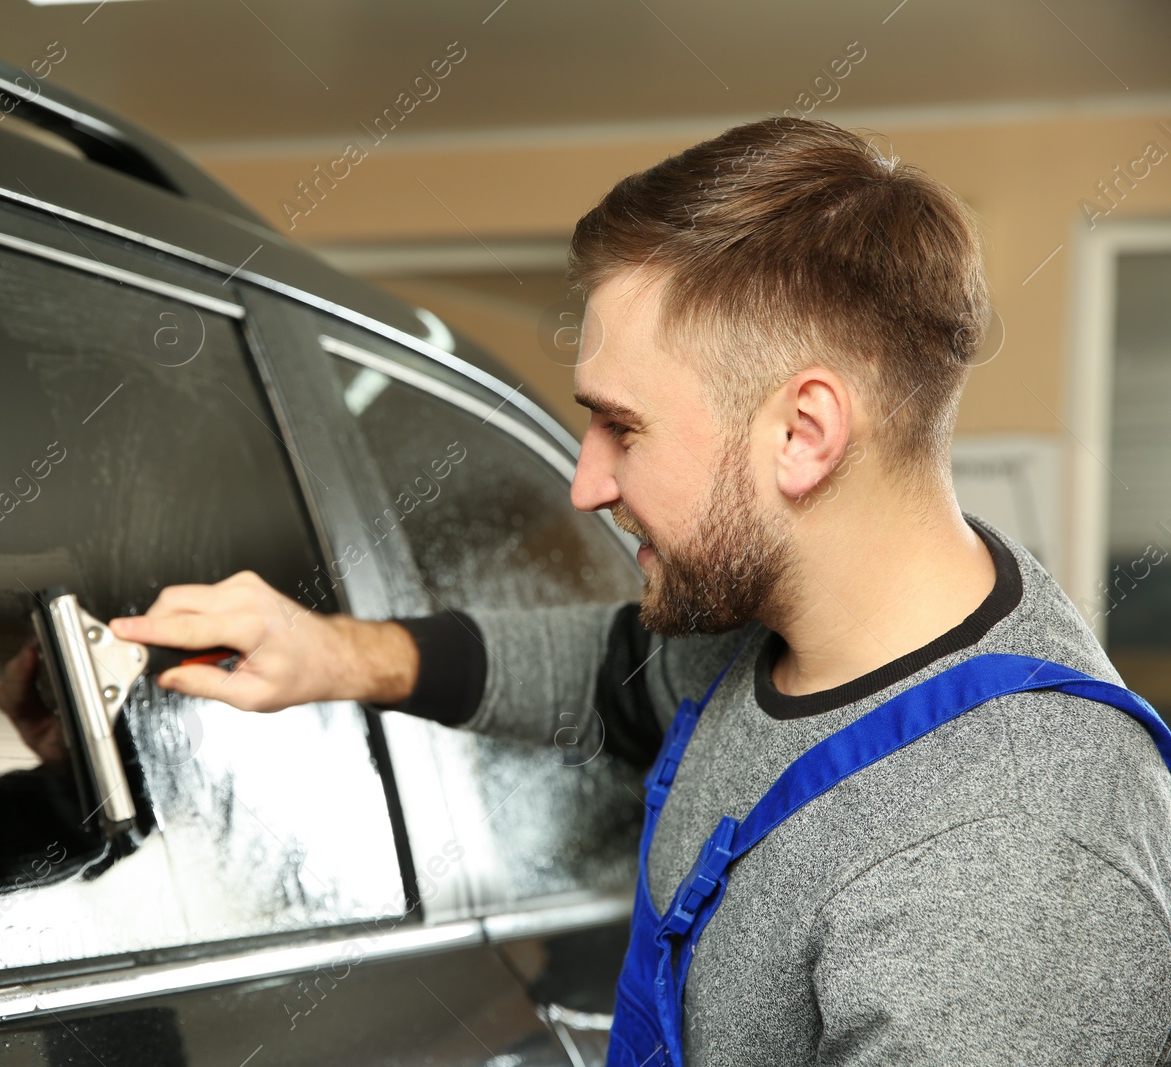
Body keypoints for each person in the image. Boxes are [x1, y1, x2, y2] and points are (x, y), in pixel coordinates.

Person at [100, 118, 1171, 1064]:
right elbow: (613, 671)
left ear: (802, 434)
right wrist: (335, 655)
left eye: (623, 424)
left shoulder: (1021, 855)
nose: (585, 481)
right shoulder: (773, 636)